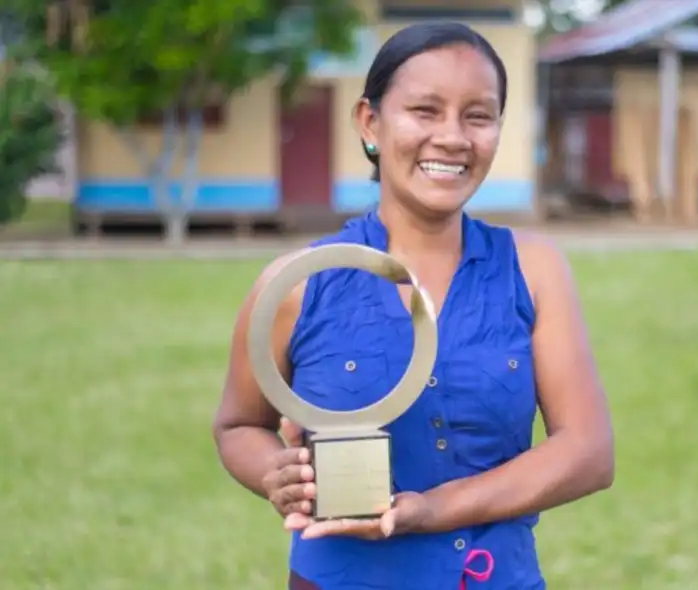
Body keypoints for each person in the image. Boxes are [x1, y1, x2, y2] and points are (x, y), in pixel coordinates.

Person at [212, 21, 614, 590]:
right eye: (425, 111)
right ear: (370, 123)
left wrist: (433, 509)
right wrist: (272, 473)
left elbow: (588, 451)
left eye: (478, 115)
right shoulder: (298, 285)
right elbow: (237, 425)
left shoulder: (535, 270)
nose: (452, 137)